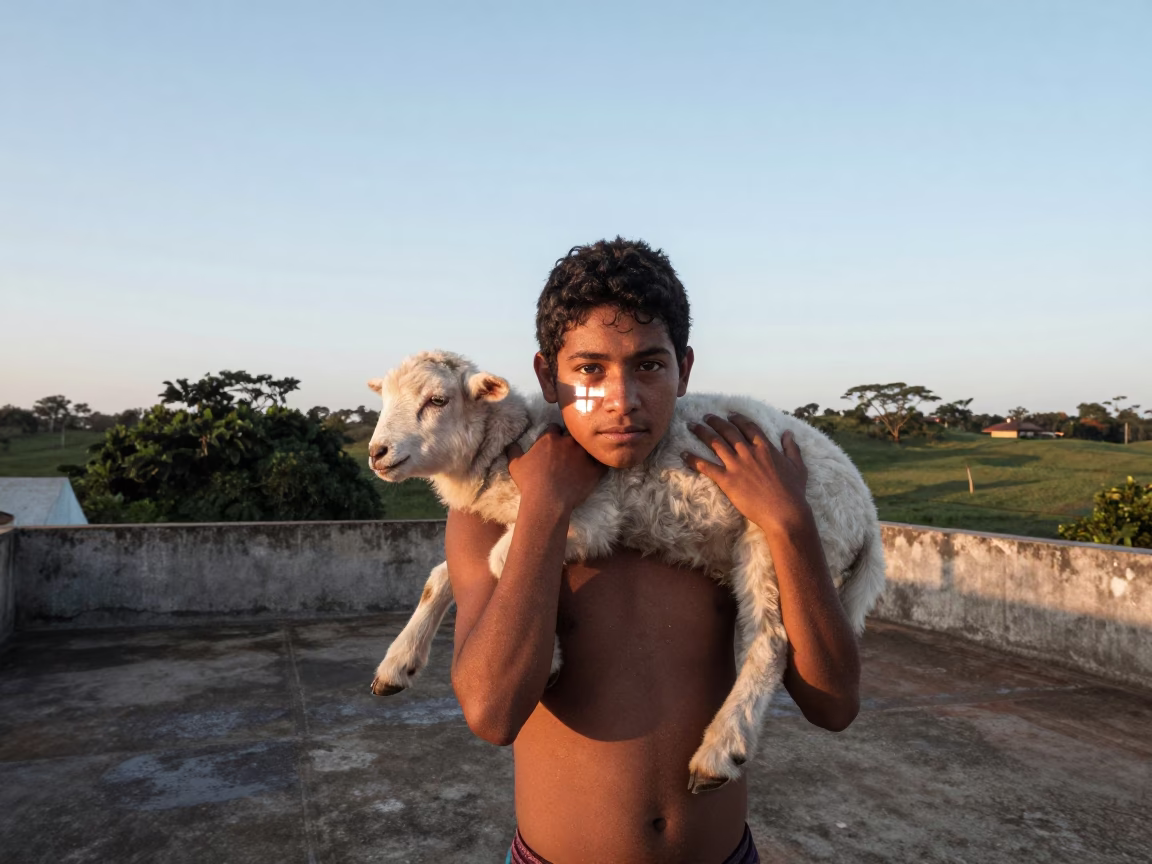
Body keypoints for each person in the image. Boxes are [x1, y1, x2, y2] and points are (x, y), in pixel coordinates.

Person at [447, 238, 861, 864]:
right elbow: (492, 712)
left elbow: (833, 705)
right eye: (588, 371)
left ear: (684, 369)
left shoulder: (725, 500)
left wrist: (788, 522)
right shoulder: (491, 505)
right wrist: (545, 509)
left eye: (649, 365)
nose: (622, 399)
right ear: (545, 377)